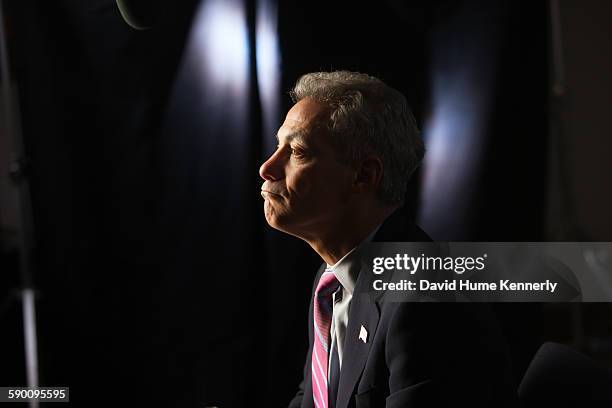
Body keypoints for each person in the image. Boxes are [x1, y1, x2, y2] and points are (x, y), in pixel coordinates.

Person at [259, 71, 517, 408]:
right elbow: (313, 398)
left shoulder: (425, 297)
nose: (267, 167)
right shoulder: (332, 280)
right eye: (278, 146)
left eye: (297, 151)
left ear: (364, 175)